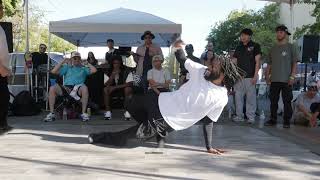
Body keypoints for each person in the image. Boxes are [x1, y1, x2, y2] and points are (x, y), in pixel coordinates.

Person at [88, 40, 242, 154]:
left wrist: (209, 146)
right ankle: (159, 135)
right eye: (210, 64)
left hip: (166, 120)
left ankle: (99, 137)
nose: (208, 67)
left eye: (213, 67)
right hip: (159, 99)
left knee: (130, 139)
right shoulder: (201, 70)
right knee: (130, 102)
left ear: (223, 75)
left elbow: (209, 121)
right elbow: (182, 59)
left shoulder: (221, 97)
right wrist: (177, 46)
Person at [44, 52, 97, 122]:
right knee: (52, 87)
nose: (76, 60)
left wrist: (87, 63)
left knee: (84, 88)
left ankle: (83, 113)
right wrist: (63, 61)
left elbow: (94, 70)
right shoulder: (67, 67)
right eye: (74, 58)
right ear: (71, 59)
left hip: (78, 88)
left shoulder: (83, 68)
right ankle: (51, 113)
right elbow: (53, 71)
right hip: (67, 88)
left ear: (80, 59)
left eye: (78, 58)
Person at [265, 25, 298, 128]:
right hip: (274, 79)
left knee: (287, 101)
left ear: (286, 34)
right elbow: (269, 64)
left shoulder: (291, 47)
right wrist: (267, 75)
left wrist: (292, 76)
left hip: (286, 79)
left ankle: (286, 120)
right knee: (273, 100)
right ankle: (273, 119)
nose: (279, 34)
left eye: (281, 32)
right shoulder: (272, 48)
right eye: (278, 32)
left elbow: (294, 63)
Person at [232, 28, 262, 124]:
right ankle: (239, 116)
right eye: (241, 35)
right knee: (238, 97)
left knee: (251, 98)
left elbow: (258, 61)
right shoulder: (238, 47)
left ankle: (251, 117)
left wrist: (255, 75)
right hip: (239, 77)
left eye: (245, 35)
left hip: (250, 76)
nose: (242, 37)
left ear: (249, 36)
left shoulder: (255, 46)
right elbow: (234, 61)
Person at [103, 55, 133, 121]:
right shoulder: (108, 71)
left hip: (123, 88)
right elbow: (106, 84)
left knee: (128, 89)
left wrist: (115, 87)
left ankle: (127, 111)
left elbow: (130, 83)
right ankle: (108, 111)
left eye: (118, 63)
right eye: (114, 63)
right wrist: (112, 76)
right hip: (112, 89)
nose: (116, 65)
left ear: (121, 63)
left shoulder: (126, 70)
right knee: (105, 89)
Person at [0, 0, 13, 134]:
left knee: (4, 98)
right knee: (3, 98)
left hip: (2, 70)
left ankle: (3, 123)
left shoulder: (1, 28)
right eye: (1, 7)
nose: (2, 10)